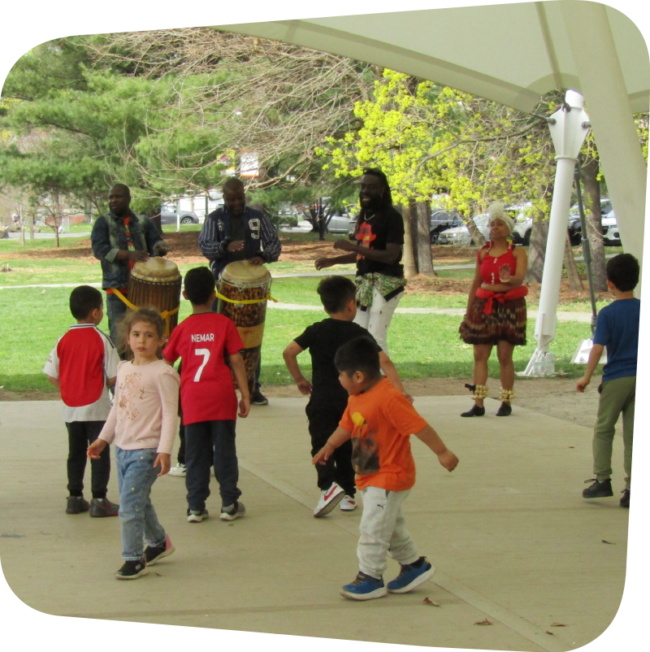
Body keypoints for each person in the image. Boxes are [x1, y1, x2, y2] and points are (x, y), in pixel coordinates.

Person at [312, 337, 458, 600]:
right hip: (369, 473)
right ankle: (414, 566)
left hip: (390, 475)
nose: (338, 380)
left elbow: (418, 426)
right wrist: (329, 446)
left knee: (372, 528)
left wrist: (442, 451)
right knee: (388, 527)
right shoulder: (357, 396)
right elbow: (348, 425)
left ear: (357, 375)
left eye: (340, 375)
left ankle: (370, 576)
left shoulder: (390, 398)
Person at [283, 276, 411, 518]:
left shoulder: (316, 330)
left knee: (323, 444)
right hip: (356, 402)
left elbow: (289, 352)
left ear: (325, 306)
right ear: (351, 304)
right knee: (361, 445)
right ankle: (355, 493)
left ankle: (328, 486)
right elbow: (385, 361)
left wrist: (299, 379)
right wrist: (399, 391)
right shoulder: (359, 333)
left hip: (322, 400)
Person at [88, 308, 180, 580]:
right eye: (136, 334)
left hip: (147, 452)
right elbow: (117, 408)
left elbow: (169, 414)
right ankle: (159, 543)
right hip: (123, 450)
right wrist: (104, 439)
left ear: (162, 340)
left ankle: (133, 558)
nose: (142, 341)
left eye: (149, 335)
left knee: (128, 506)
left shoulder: (162, 373)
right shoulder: (124, 369)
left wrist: (164, 450)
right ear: (127, 338)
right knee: (140, 500)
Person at [163, 267, 251, 522]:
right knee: (224, 450)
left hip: (192, 398)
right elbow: (236, 361)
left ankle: (196, 506)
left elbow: (166, 364)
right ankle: (229, 502)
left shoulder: (182, 328)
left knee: (195, 453)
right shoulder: (225, 323)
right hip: (221, 397)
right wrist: (245, 395)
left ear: (185, 295)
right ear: (214, 295)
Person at [199, 177, 282, 406]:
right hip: (222, 286)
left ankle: (253, 387)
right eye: (231, 198)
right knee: (219, 338)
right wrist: (224, 247)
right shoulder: (215, 219)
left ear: (244, 195)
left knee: (252, 337)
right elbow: (204, 246)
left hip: (252, 288)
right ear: (223, 197)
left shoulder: (257, 217)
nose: (236, 202)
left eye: (239, 198)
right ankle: (220, 387)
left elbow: (274, 243)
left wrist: (263, 256)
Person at [577, 254, 650, 507]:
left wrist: (587, 376)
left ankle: (602, 479)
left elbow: (598, 348)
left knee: (604, 428)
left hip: (617, 378)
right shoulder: (647, 309)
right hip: (644, 378)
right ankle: (637, 487)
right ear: (636, 280)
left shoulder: (608, 314)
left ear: (609, 283)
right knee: (637, 434)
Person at [43, 285, 120, 517]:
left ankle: (74, 497)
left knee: (75, 453)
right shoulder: (102, 339)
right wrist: (98, 386)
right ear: (96, 312)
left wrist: (69, 388)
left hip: (70, 409)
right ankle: (99, 498)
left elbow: (51, 375)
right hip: (97, 407)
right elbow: (114, 374)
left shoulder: (62, 340)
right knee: (98, 451)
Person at [315, 169, 405, 354]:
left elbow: (391, 255)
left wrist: (354, 247)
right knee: (358, 335)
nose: (365, 190)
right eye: (363, 186)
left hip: (386, 283)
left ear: (382, 190)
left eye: (371, 187)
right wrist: (332, 261)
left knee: (375, 337)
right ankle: (364, 380)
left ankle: (382, 382)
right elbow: (364, 254)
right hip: (365, 282)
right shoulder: (365, 215)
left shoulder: (392, 217)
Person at [458, 202, 528, 417]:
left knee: (505, 355)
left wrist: (509, 279)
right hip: (484, 305)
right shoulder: (483, 252)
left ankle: (506, 400)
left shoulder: (517, 252)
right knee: (480, 353)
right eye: (492, 224)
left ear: (508, 229)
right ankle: (478, 403)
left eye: (499, 224)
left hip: (509, 306)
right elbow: (476, 283)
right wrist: (469, 311)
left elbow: (520, 278)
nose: (494, 228)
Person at [91, 184, 168, 346]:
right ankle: (121, 370)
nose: (113, 200)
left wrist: (160, 248)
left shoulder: (143, 222)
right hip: (117, 290)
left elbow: (156, 242)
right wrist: (127, 254)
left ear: (128, 199)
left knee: (146, 336)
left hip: (145, 288)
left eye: (118, 197)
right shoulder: (103, 222)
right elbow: (100, 250)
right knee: (120, 339)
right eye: (111, 197)